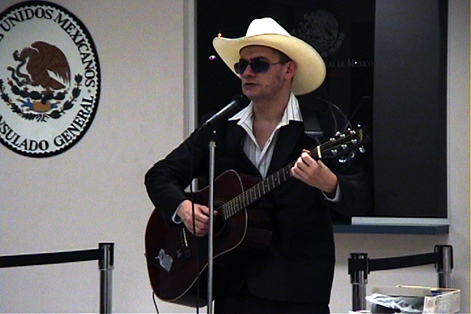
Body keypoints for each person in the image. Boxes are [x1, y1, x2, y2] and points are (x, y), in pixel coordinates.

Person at [145, 17, 372, 314]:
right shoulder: (220, 129)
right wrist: (182, 208)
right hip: (232, 287)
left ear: (288, 69)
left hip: (298, 293)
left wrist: (328, 183)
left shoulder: (320, 127)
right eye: (243, 66)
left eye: (260, 64)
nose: (247, 73)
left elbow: (361, 199)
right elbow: (160, 175)